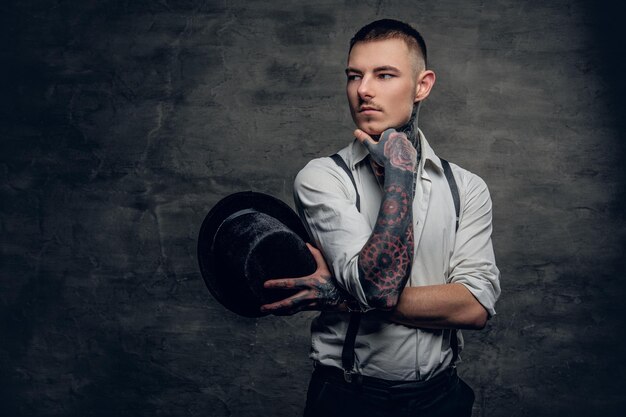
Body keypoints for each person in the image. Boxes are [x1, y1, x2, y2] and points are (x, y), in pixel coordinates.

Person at [260, 19, 501, 417]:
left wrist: (340, 296)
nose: (363, 90)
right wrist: (401, 172)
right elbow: (377, 288)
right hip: (349, 398)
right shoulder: (323, 178)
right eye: (354, 76)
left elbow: (474, 308)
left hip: (440, 398)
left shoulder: (467, 187)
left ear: (422, 85)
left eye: (384, 74)